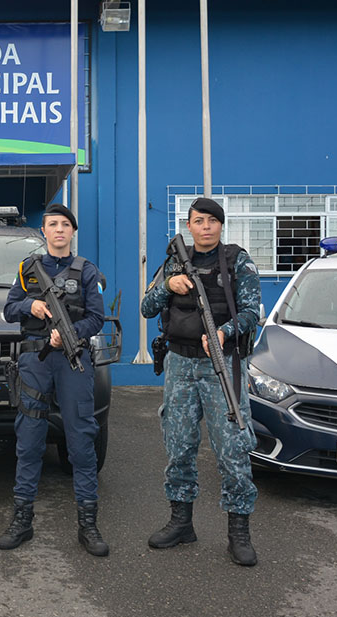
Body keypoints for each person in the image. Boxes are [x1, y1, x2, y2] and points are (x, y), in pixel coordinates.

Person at [139, 197, 260, 566]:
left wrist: (225, 332)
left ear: (221, 226)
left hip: (221, 365)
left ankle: (238, 533)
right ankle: (181, 523)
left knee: (233, 449)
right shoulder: (174, 262)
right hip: (179, 364)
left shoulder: (238, 261)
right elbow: (146, 308)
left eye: (212, 220)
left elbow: (253, 311)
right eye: (198, 221)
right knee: (179, 446)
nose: (205, 226)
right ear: (188, 226)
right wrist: (168, 287)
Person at [0, 203, 109, 557]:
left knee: (81, 442)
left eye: (65, 225)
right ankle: (22, 520)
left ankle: (88, 525)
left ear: (72, 232)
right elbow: (9, 308)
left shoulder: (87, 271)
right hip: (35, 361)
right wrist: (30, 306)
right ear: (43, 231)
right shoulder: (28, 270)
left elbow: (97, 318)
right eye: (52, 225)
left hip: (73, 362)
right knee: (29, 440)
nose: (59, 230)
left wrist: (70, 333)